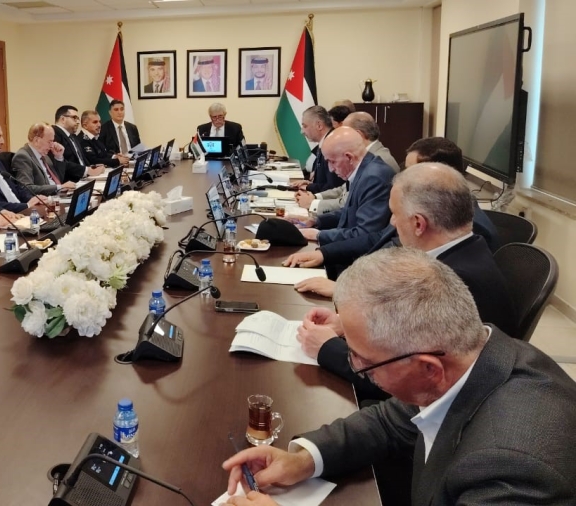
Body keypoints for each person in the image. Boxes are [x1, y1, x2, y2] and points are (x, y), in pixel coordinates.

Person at [223, 248, 576, 506]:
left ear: (427, 368)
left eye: (364, 361)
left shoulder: (511, 469)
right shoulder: (469, 354)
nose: (355, 367)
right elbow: (390, 421)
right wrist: (304, 460)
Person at [294, 163, 517, 400]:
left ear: (418, 224)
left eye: (395, 213)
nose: (392, 222)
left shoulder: (451, 281)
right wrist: (349, 326)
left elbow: (406, 382)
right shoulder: (464, 252)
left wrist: (327, 348)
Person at [284, 136, 500, 276]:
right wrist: (324, 251)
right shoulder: (432, 207)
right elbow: (381, 238)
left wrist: (345, 290)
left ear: (436, 173)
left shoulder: (466, 227)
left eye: (410, 171)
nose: (402, 176)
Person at [293, 127, 394, 245]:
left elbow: (365, 234)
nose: (330, 169)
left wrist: (318, 235)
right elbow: (350, 212)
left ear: (349, 157)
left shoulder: (374, 177)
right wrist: (315, 220)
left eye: (332, 161)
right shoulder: (365, 169)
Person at [296, 112, 401, 216]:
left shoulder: (379, 163)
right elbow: (344, 189)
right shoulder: (366, 156)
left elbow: (348, 204)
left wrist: (313, 203)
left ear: (358, 135)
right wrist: (315, 197)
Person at [406, 137, 499, 251]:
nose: (404, 178)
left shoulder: (470, 229)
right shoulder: (432, 204)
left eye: (411, 173)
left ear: (439, 176)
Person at [11, 123, 76, 196]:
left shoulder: (44, 155)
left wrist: (59, 157)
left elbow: (58, 180)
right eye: (49, 141)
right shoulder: (23, 157)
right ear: (36, 140)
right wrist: (59, 187)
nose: (52, 145)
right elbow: (26, 188)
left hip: (57, 195)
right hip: (45, 199)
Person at [292, 105, 343, 194]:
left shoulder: (333, 145)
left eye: (305, 126)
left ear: (319, 125)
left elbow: (334, 187)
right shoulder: (324, 141)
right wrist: (310, 183)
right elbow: (324, 180)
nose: (302, 131)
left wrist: (310, 187)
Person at [51, 105, 106, 182]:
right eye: (74, 118)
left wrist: (92, 167)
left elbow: (81, 159)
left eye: (78, 119)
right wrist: (87, 170)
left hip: (83, 179)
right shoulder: (54, 134)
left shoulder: (72, 136)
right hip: (70, 182)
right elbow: (62, 162)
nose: (77, 122)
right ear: (63, 119)